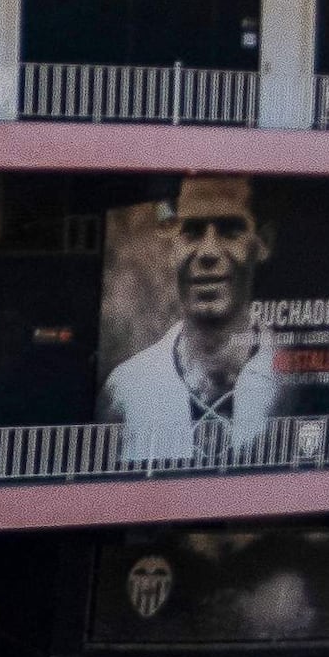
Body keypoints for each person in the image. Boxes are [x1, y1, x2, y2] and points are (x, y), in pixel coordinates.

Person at [102, 174, 286, 458]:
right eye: (193, 231)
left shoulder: (289, 381)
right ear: (173, 245)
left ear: (263, 242)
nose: (208, 253)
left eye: (229, 231)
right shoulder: (126, 387)